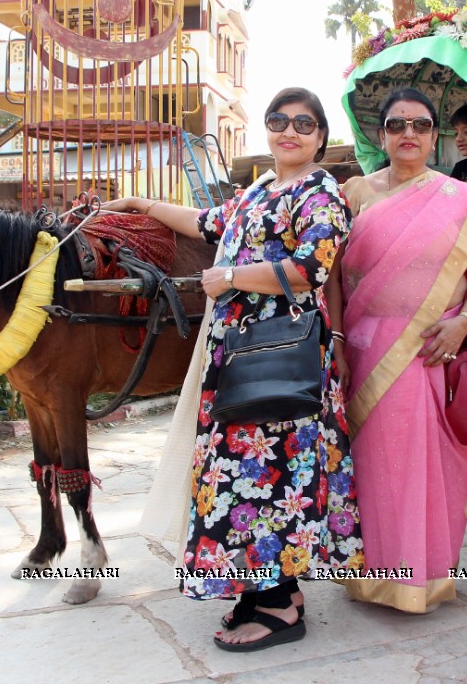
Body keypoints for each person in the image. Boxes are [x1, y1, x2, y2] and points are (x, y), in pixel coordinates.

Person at [103, 87, 360, 652]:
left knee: (274, 475)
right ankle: (270, 591)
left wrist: (231, 280)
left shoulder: (321, 193)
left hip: (281, 356)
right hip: (240, 355)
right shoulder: (261, 190)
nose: (288, 131)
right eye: (278, 120)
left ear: (320, 135)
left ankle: (280, 607)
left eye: (303, 123)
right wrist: (143, 206)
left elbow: (310, 269)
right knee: (244, 473)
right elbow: (205, 223)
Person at [324, 87, 467, 614]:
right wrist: (337, 339)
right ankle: (372, 577)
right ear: (380, 135)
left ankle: (424, 577)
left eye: (421, 125)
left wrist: (463, 324)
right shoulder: (353, 194)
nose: (409, 134)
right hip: (364, 347)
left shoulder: (460, 198)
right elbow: (332, 275)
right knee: (373, 464)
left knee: (426, 464)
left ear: (435, 136)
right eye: (398, 125)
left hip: (433, 349)